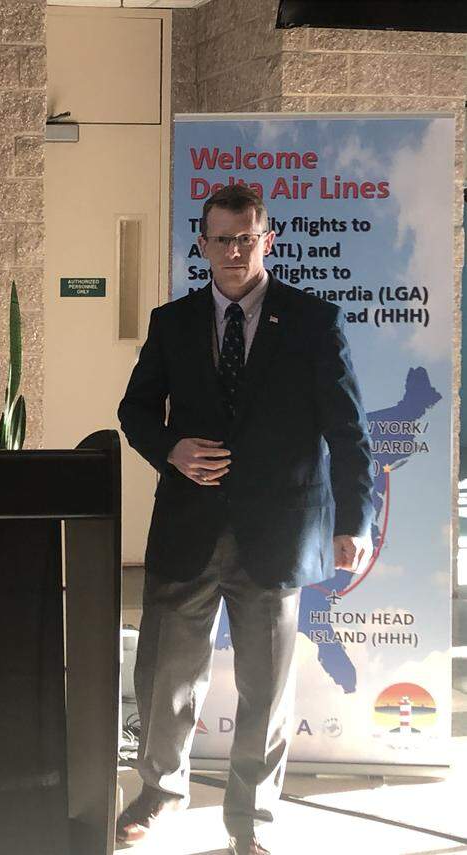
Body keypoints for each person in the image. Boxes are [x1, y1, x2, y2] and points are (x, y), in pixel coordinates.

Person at [116, 184, 374, 855]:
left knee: (266, 691)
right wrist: (170, 446)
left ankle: (250, 824)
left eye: (246, 237)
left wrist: (357, 520)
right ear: (200, 245)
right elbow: (135, 411)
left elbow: (349, 432)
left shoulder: (315, 322)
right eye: (221, 238)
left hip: (279, 534)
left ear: (268, 240)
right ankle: (158, 794)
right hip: (187, 530)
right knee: (166, 680)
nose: (234, 251)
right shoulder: (172, 322)